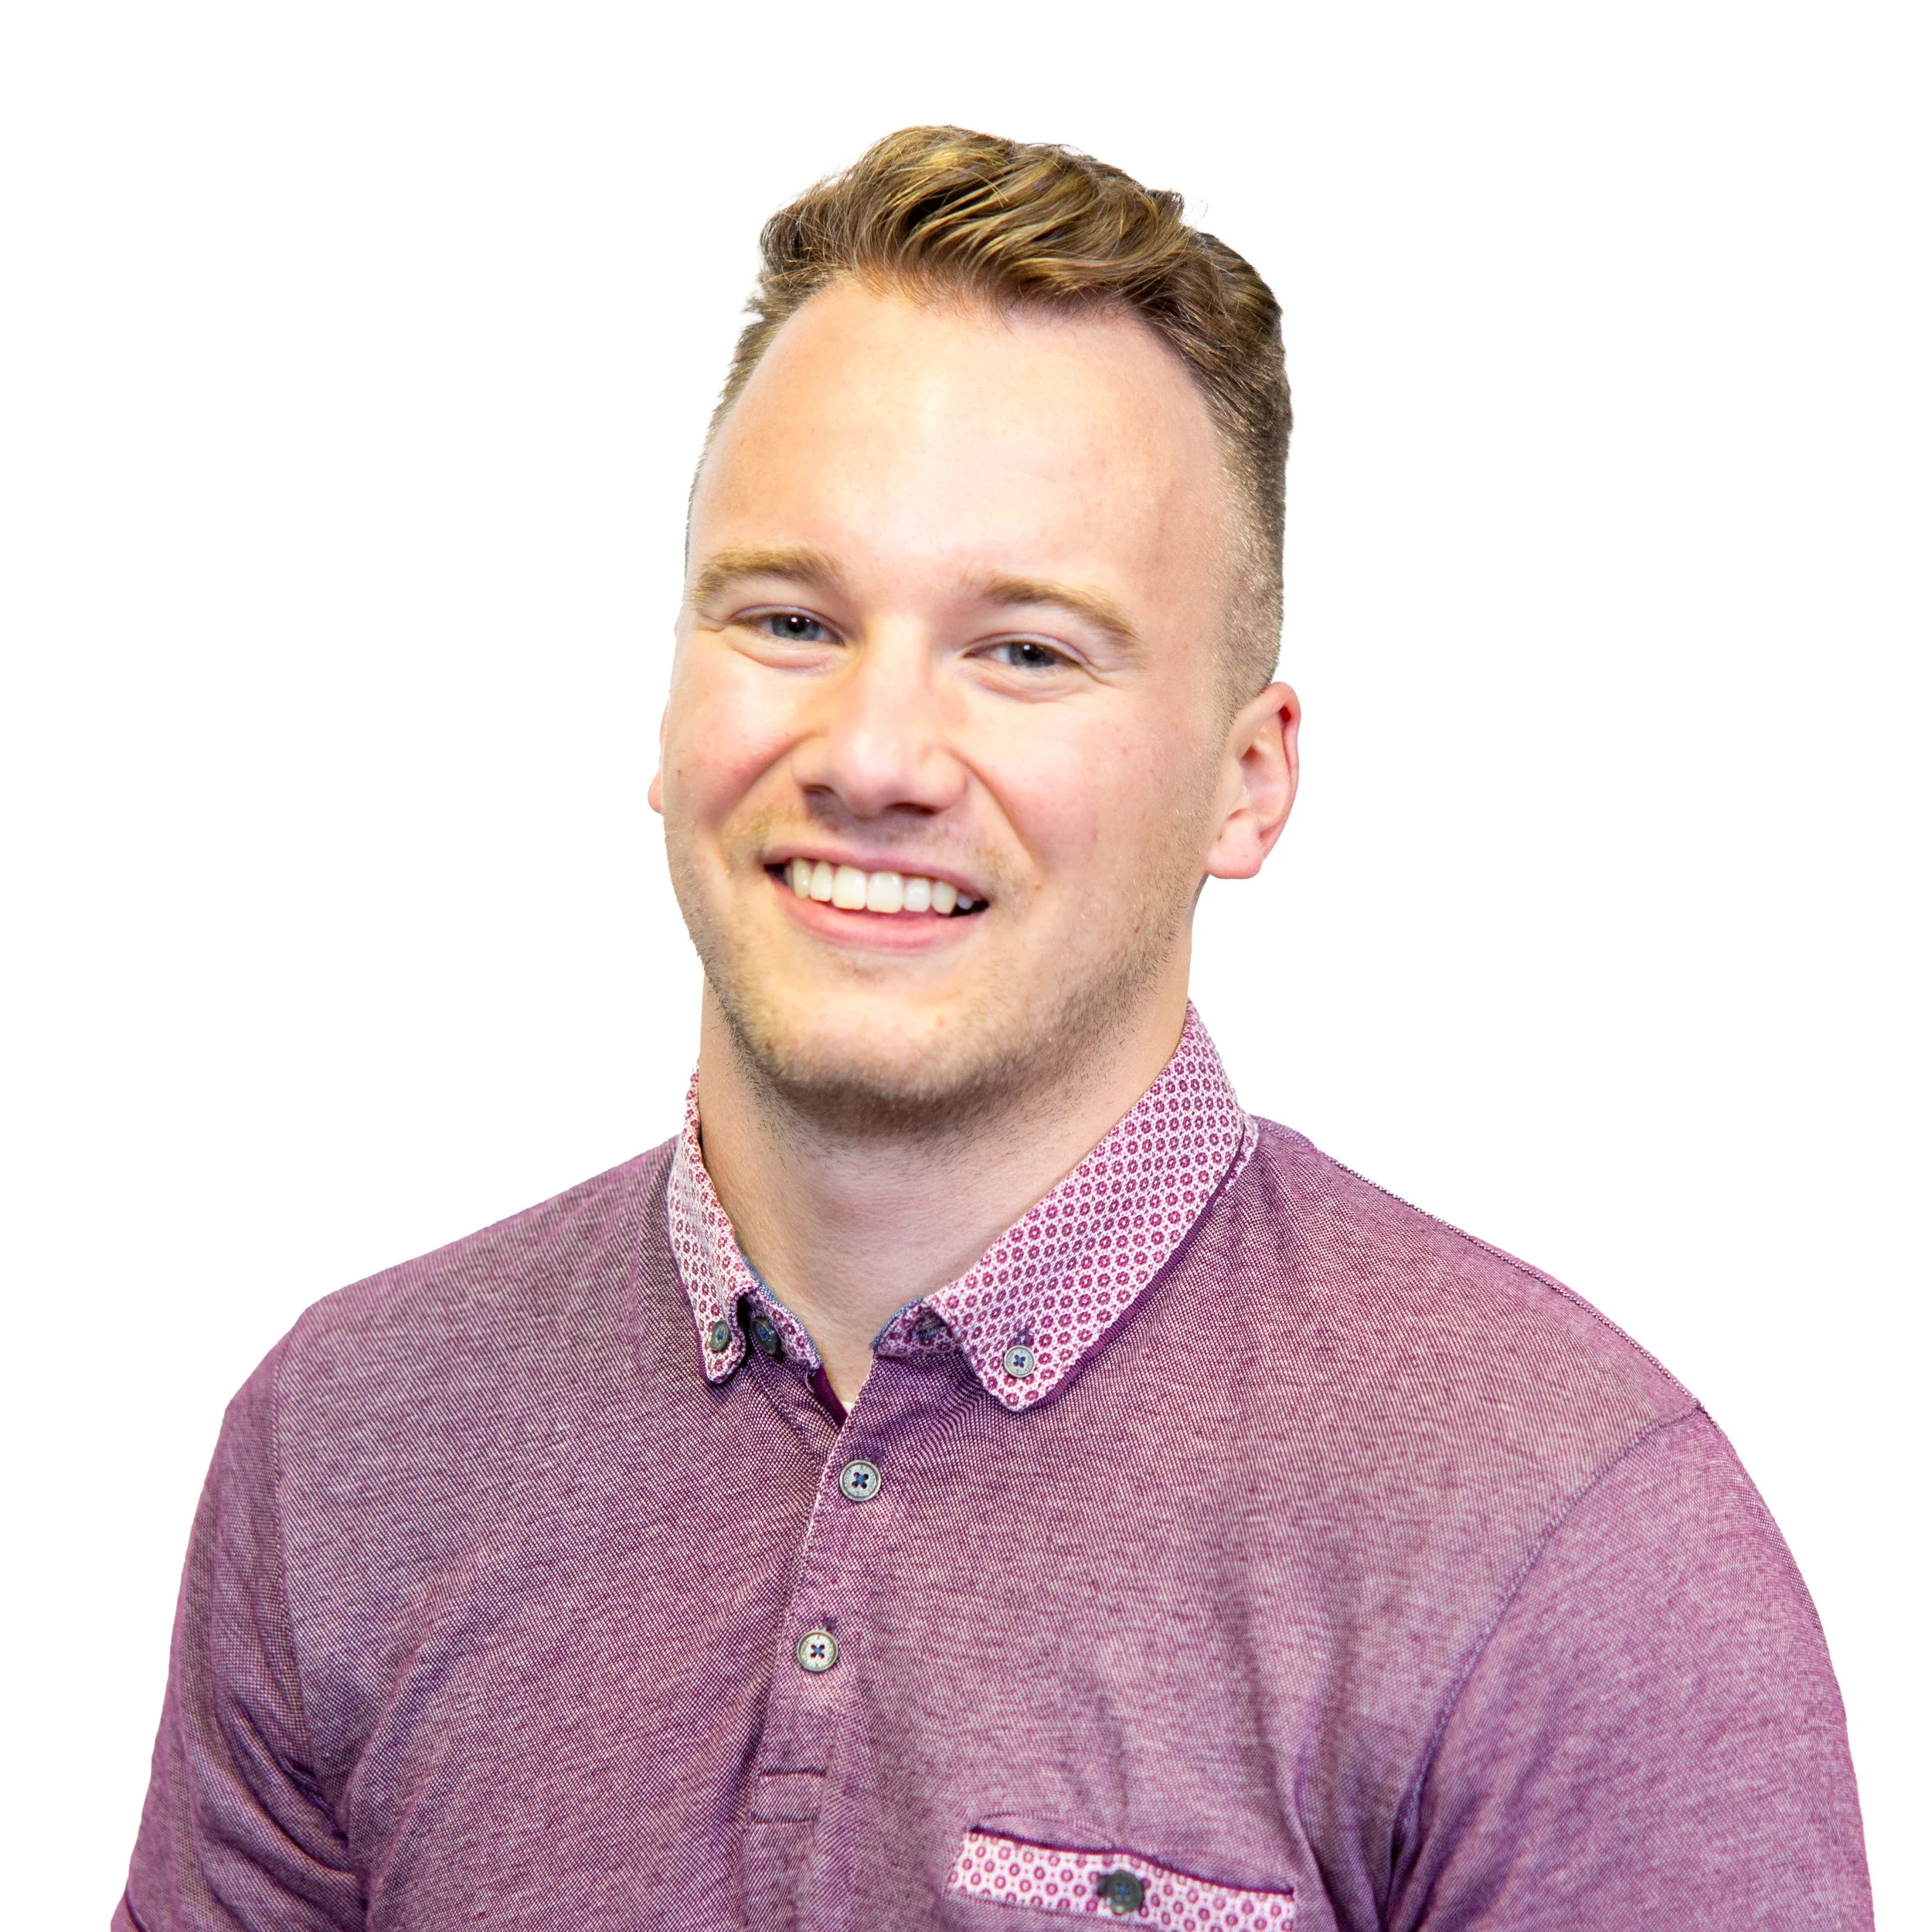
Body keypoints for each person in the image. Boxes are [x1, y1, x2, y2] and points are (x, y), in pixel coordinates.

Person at [118, 128, 1870, 1932]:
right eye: (788, 619)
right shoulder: (348, 1440)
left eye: (1025, 650)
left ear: (1246, 779)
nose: (874, 754)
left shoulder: (1566, 1538)